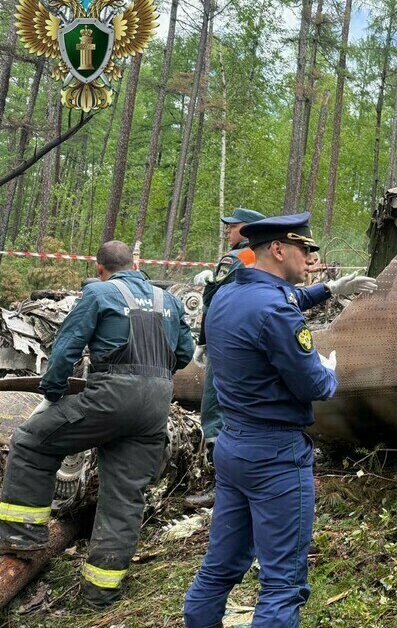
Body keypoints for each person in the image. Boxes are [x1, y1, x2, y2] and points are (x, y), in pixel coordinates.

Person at [183, 213, 376, 628]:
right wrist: (328, 369)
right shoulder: (275, 311)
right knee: (282, 583)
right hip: (274, 456)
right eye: (304, 249)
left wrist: (329, 289)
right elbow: (314, 386)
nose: (309, 258)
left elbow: (279, 299)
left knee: (220, 567)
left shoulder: (229, 295)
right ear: (278, 249)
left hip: (233, 445)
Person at [0, 241, 194, 608]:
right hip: (157, 404)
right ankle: (101, 595)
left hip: (111, 396)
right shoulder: (168, 300)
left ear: (100, 267)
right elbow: (184, 353)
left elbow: (67, 346)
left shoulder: (99, 293)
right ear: (134, 265)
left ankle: (22, 538)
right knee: (124, 496)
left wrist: (53, 391)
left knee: (31, 442)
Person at [192, 207, 266, 447]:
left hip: (227, 336)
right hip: (255, 336)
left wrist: (203, 340)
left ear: (246, 229)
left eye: (232, 226)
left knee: (214, 403)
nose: (227, 230)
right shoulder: (265, 255)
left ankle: (216, 461)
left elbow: (211, 300)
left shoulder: (236, 257)